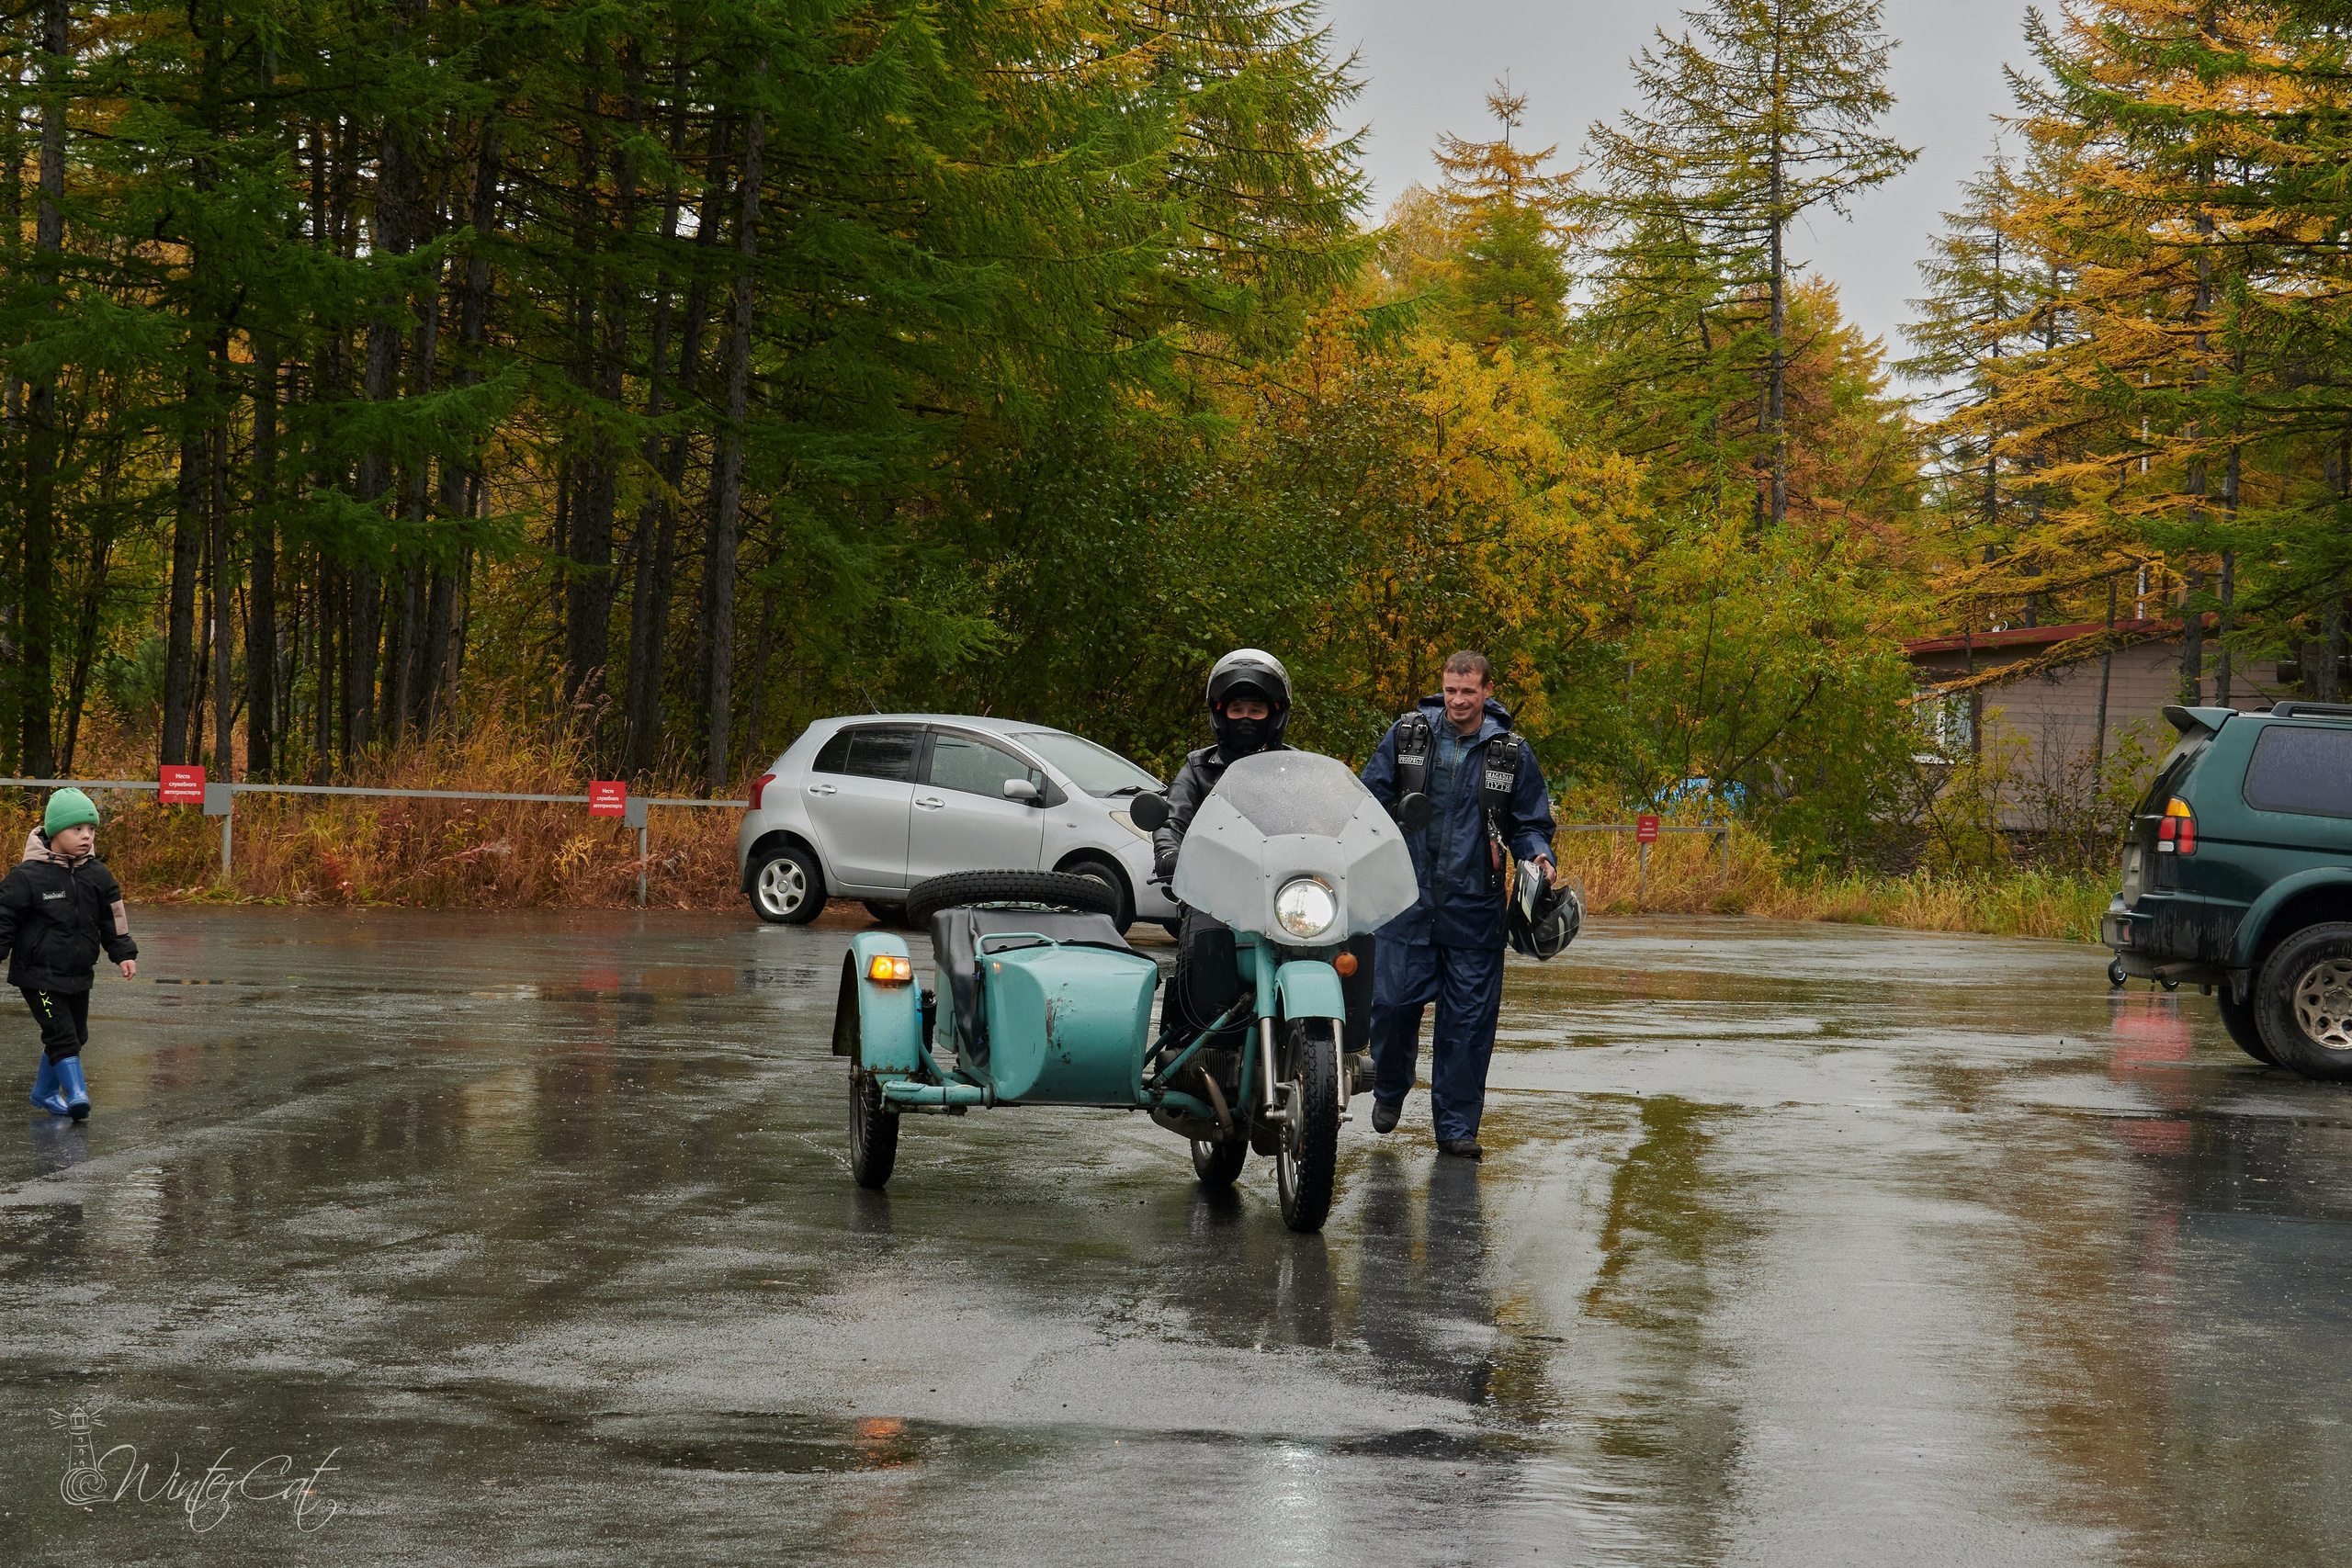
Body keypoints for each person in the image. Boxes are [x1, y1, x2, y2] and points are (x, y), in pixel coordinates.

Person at [1359, 651, 1555, 1159]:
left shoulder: (1511, 753)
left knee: (1467, 1025)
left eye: (1469, 691)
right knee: (1392, 1006)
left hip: (1475, 909)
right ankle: (1389, 1088)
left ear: (1488, 690)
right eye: (1451, 690)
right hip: (1406, 902)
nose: (1459, 700)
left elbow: (1530, 823)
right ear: (1442, 688)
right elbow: (1366, 801)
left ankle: (1456, 1128)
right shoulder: (1408, 737)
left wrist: (1538, 856)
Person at [1153, 649, 1293, 1045]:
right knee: (1201, 948)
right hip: (1214, 894)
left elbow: (1329, 822)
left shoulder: (1297, 769)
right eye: (1237, 709)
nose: (1246, 717)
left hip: (1283, 894)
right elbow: (1172, 817)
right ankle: (1187, 1039)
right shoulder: (1198, 768)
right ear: (1220, 714)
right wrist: (1169, 852)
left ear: (1275, 714)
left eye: (1256, 709)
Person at [2, 788, 138, 1121]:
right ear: (54, 832)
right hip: (38, 975)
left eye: (91, 829)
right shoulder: (27, 876)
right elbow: (4, 918)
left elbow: (113, 919)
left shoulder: (98, 875)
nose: (86, 836)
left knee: (77, 1035)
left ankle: (44, 1091)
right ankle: (77, 1094)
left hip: (78, 973)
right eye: (77, 829)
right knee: (61, 1035)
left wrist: (123, 952)